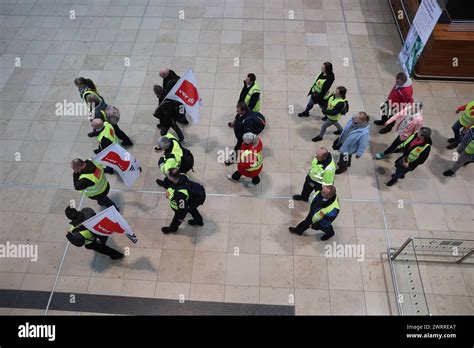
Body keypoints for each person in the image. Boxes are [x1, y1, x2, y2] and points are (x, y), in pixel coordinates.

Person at [74, 77, 133, 146]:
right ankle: (95, 131)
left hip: (102, 114)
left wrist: (92, 113)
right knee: (96, 123)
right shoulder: (88, 87)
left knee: (115, 129)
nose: (77, 87)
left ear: (81, 85)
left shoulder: (88, 95)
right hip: (99, 111)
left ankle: (127, 141)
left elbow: (93, 106)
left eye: (77, 85)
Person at [161, 168, 205, 234]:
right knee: (192, 209)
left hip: (187, 203)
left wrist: (180, 218)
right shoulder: (183, 175)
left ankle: (173, 228)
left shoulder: (179, 194)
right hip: (192, 199)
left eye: (168, 175)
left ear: (171, 178)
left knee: (177, 217)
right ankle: (199, 221)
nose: (167, 176)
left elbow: (182, 210)